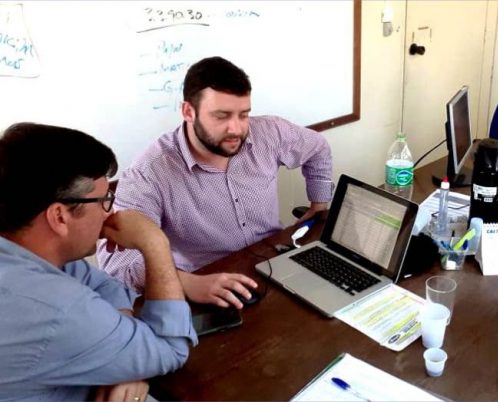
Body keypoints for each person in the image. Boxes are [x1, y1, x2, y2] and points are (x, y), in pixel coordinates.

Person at [97, 56, 334, 309]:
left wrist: (318, 204)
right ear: (188, 112)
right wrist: (186, 283)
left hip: (275, 262)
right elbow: (117, 264)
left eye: (243, 115)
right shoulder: (149, 173)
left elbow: (318, 148)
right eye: (222, 116)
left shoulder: (269, 132)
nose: (236, 129)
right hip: (205, 284)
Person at [0, 123, 196, 401]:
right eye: (104, 201)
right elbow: (170, 349)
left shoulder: (28, 249)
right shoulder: (57, 308)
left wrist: (123, 353)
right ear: (59, 217)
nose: (109, 213)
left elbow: (105, 284)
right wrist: (155, 244)